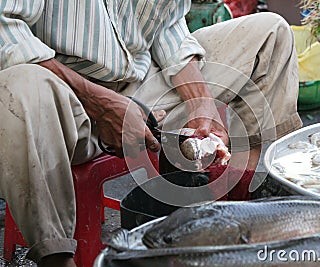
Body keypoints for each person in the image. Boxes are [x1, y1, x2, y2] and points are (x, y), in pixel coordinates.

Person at [0, 0, 302, 266]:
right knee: (20, 83)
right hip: (61, 96)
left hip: (139, 86)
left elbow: (169, 28)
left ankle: (233, 225)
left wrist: (201, 102)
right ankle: (57, 258)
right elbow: (8, 31)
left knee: (271, 33)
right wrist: (102, 105)